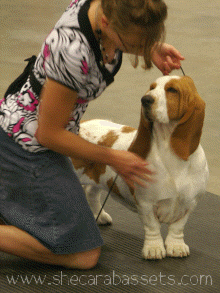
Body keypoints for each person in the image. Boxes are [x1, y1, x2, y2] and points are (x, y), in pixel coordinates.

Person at [0, 0, 184, 269]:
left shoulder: (107, 6)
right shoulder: (73, 51)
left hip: (41, 132)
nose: (137, 49)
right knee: (83, 254)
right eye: (131, 44)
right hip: (25, 143)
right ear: (108, 24)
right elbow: (48, 134)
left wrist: (149, 47)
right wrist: (112, 157)